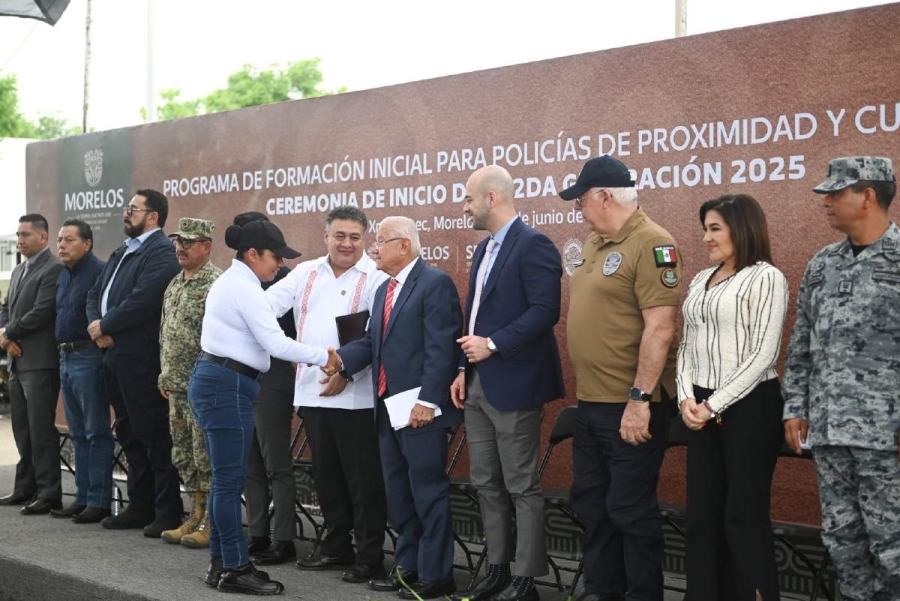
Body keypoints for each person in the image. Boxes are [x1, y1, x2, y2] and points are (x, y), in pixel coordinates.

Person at [188, 218, 338, 595]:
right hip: (225, 385)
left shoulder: (238, 283)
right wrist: (327, 356)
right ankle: (236, 568)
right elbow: (278, 344)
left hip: (221, 382)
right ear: (252, 254)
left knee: (226, 481)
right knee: (228, 482)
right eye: (274, 257)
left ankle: (222, 564)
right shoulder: (244, 286)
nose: (278, 264)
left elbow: (269, 327)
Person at [560, 156, 681, 601]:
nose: (578, 210)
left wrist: (638, 399)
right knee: (593, 505)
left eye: (580, 201)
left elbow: (661, 327)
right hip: (592, 403)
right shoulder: (594, 243)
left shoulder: (653, 243)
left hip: (632, 406)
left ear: (604, 196)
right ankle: (602, 592)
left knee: (629, 509)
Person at [783, 156, 900, 601]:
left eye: (836, 192)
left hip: (885, 440)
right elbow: (801, 343)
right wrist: (795, 407)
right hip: (829, 433)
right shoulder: (821, 264)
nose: (826, 201)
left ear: (868, 195)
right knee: (841, 541)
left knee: (892, 546)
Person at [450, 166, 564, 601]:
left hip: (515, 385)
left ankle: (525, 579)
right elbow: (475, 315)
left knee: (521, 485)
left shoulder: (535, 245)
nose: (464, 207)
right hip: (477, 383)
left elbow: (544, 311)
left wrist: (493, 345)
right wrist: (464, 368)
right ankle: (495, 568)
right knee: (485, 482)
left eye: (468, 199)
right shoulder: (483, 250)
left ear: (492, 198)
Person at [335, 216, 462, 600]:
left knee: (428, 492)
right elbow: (373, 341)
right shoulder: (382, 290)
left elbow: (443, 348)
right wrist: (339, 360)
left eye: (380, 241)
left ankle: (437, 574)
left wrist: (427, 400)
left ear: (403, 245)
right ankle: (407, 568)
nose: (374, 248)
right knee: (399, 493)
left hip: (420, 410)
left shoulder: (434, 283)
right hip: (388, 408)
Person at [676, 195, 789, 600]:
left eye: (715, 228)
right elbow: (686, 346)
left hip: (751, 407)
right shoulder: (698, 280)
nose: (705, 237)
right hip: (700, 408)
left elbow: (764, 354)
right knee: (701, 518)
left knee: (742, 518)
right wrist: (686, 398)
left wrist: (712, 404)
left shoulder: (766, 277)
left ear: (742, 228)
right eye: (704, 228)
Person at [267, 207, 389, 579]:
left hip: (358, 394)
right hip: (312, 391)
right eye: (339, 235)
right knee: (327, 477)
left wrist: (346, 372)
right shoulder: (305, 272)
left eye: (354, 236)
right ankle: (337, 546)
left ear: (365, 239)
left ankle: (369, 556)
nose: (347, 243)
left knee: (362, 480)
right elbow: (266, 307)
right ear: (325, 237)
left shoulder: (376, 276)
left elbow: (377, 335)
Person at [85, 189, 183, 536]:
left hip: (141, 359)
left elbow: (144, 300)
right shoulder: (123, 249)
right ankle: (138, 506)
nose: (126, 214)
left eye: (133, 209)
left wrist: (106, 325)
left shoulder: (161, 254)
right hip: (112, 355)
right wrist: (96, 327)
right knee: (128, 433)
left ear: (153, 217)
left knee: (154, 434)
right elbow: (96, 292)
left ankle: (167, 511)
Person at [236, 210, 302, 567]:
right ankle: (258, 534)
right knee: (251, 464)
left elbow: (288, 335)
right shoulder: (234, 281)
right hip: (241, 377)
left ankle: (285, 539)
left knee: (276, 462)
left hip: (273, 376)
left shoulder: (284, 279)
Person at [157, 218, 220, 548]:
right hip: (175, 386)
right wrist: (163, 373)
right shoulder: (175, 283)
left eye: (189, 242)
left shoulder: (216, 283)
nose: (181, 247)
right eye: (179, 241)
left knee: (206, 456)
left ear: (207, 246)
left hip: (201, 386)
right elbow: (165, 332)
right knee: (184, 455)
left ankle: (212, 522)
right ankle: (194, 515)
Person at [51, 219, 114, 523]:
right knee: (77, 433)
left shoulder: (100, 272)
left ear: (87, 244)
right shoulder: (63, 276)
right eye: (60, 240)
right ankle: (83, 496)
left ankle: (99, 500)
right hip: (65, 358)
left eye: (69, 240)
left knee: (96, 431)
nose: (61, 245)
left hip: (89, 357)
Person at [0, 214, 64, 514]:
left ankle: (48, 492)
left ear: (43, 237)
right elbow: (6, 309)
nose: (20, 239)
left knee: (41, 430)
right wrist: (4, 335)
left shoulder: (52, 269)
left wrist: (8, 333)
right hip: (16, 361)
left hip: (39, 363)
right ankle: (24, 488)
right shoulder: (19, 270)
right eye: (18, 234)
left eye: (25, 234)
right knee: (22, 431)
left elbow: (41, 313)